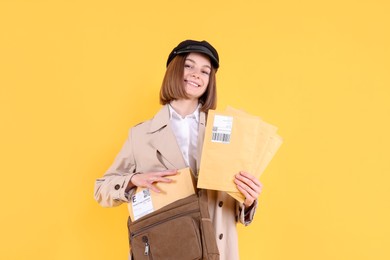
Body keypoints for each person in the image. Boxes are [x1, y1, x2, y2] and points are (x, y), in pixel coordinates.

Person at [94, 39, 263, 260]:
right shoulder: (141, 134)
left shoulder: (226, 130)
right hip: (166, 248)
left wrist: (249, 200)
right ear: (173, 70)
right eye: (189, 65)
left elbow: (234, 204)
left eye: (205, 71)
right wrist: (135, 180)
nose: (196, 74)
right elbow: (101, 190)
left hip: (218, 251)